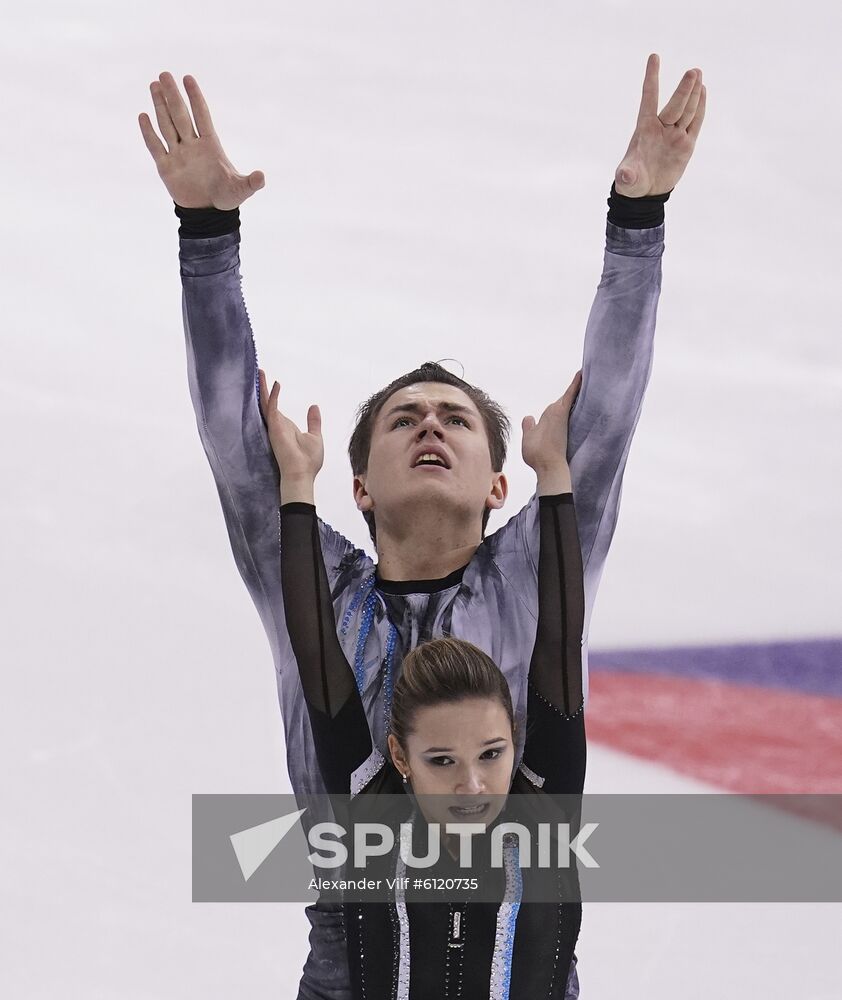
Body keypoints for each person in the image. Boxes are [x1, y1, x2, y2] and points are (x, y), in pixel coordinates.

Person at [138, 53, 705, 998]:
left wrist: (637, 223)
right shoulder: (316, 592)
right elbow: (239, 451)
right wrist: (207, 235)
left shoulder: (530, 577)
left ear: (499, 482)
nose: (431, 424)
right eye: (404, 419)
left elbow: (602, 427)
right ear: (358, 486)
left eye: (455, 419)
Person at [274, 368, 586, 998]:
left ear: (516, 742)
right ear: (400, 758)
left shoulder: (545, 812)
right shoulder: (371, 816)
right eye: (441, 760)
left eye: (491, 755)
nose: (471, 784)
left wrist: (554, 474)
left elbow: (559, 639)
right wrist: (297, 486)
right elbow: (314, 651)